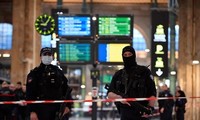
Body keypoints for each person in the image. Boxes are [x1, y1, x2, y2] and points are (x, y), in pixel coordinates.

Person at [107, 46, 156, 120]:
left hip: (142, 113)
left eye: (129, 54)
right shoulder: (118, 74)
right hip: (125, 114)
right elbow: (110, 93)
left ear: (134, 55)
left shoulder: (144, 72)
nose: (127, 57)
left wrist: (150, 108)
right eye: (125, 55)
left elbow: (152, 92)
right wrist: (119, 98)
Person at [26, 47, 73, 120]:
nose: (47, 56)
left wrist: (68, 106)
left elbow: (66, 90)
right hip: (41, 110)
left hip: (58, 109)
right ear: (41, 57)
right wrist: (32, 111)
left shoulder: (58, 72)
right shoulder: (35, 73)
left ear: (52, 56)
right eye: (45, 54)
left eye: (49, 54)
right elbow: (29, 94)